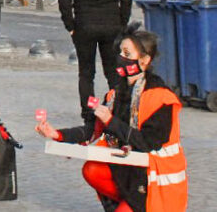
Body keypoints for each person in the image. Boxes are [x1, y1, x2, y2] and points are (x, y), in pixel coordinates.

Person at [35, 25, 188, 211]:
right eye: (120, 52)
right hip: (128, 167)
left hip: (153, 175)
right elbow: (92, 131)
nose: (120, 58)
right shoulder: (114, 94)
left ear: (145, 60)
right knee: (91, 169)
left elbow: (149, 143)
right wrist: (57, 134)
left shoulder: (161, 98)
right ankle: (124, 205)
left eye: (127, 53)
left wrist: (111, 121)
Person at [59, 0, 133, 121]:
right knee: (113, 71)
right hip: (112, 25)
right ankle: (118, 110)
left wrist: (71, 26)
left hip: (84, 25)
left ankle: (89, 112)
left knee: (86, 73)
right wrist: (122, 22)